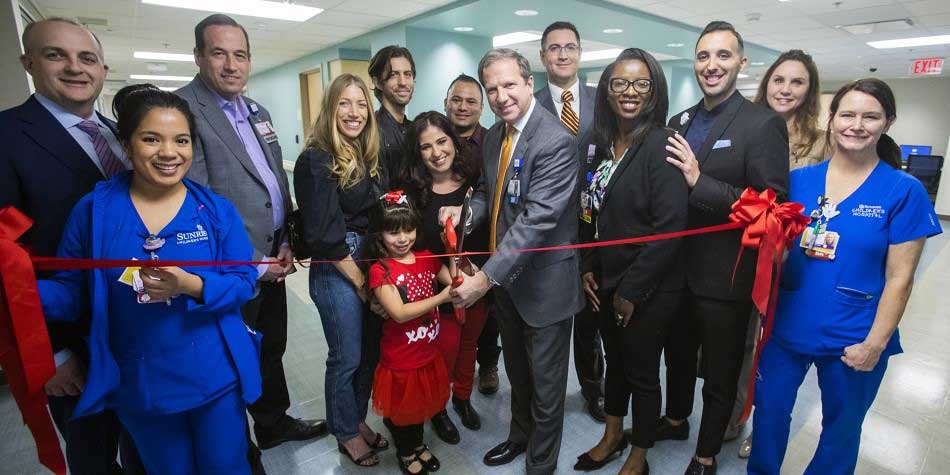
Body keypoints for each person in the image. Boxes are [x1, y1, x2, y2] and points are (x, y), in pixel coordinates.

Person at [38, 83, 263, 474]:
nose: (169, 152)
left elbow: (244, 281)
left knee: (227, 467)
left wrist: (191, 285)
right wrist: (18, 291)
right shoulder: (94, 211)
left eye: (181, 140)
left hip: (215, 375)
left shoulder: (214, 211)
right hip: (140, 382)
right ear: (126, 143)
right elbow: (70, 291)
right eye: (151, 139)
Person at [748, 78, 942, 474]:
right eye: (847, 114)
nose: (857, 124)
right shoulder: (799, 181)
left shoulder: (903, 191)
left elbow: (900, 278)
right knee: (768, 416)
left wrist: (876, 343)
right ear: (831, 119)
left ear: (887, 122)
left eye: (870, 116)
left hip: (855, 336)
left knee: (840, 431)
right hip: (789, 327)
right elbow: (780, 250)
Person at [175, 15, 325, 471]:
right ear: (199, 56)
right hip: (227, 270)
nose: (230, 64)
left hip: (273, 257)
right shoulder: (182, 111)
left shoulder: (256, 111)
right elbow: (192, 203)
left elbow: (273, 180)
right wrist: (255, 262)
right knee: (229, 360)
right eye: (218, 53)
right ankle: (238, 448)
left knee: (269, 348)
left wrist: (286, 240)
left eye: (239, 54)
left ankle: (273, 423)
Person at [0, 17, 144, 475]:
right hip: (71, 340)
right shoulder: (6, 137)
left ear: (102, 68)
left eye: (87, 58)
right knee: (95, 456)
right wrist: (52, 353)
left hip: (139, 329)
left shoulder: (121, 136)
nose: (75, 68)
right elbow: (6, 262)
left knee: (145, 448)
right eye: (55, 55)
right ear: (28, 63)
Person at [440, 48, 583, 475]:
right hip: (509, 286)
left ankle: (541, 463)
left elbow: (537, 220)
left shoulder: (556, 141)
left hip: (544, 289)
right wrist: (465, 214)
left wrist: (484, 279)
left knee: (546, 385)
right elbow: (489, 192)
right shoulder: (497, 138)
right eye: (492, 88)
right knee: (518, 376)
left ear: (527, 82)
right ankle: (519, 438)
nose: (501, 96)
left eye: (509, 85)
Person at [660, 21, 789, 475]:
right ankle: (676, 420)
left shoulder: (763, 124)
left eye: (723, 56)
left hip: (725, 276)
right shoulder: (681, 120)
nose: (711, 65)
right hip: (674, 270)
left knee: (718, 373)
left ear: (741, 63)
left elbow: (771, 205)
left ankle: (706, 452)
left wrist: (701, 181)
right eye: (703, 56)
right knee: (675, 356)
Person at [574, 48, 688, 475]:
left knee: (641, 372)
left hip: (648, 287)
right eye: (619, 82)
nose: (630, 92)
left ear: (655, 91)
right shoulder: (602, 144)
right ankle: (611, 435)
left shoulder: (662, 145)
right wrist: (588, 265)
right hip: (605, 279)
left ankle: (639, 453)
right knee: (615, 364)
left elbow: (670, 229)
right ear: (606, 89)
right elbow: (589, 210)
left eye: (642, 83)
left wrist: (631, 291)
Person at [729, 48, 830, 459]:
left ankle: (761, 425)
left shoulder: (822, 144)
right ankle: (735, 418)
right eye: (779, 80)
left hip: (790, 264)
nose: (785, 90)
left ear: (809, 91)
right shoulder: (745, 127)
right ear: (766, 82)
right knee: (739, 345)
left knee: (771, 350)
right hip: (740, 256)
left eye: (797, 82)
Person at [293, 73, 389, 468]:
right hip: (340, 267)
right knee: (346, 356)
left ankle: (355, 419)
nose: (354, 112)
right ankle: (345, 431)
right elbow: (324, 235)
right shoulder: (316, 158)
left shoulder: (364, 155)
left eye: (361, 103)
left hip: (367, 258)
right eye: (345, 104)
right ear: (331, 108)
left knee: (368, 353)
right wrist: (360, 281)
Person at [401, 111, 491, 443]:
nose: (437, 152)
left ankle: (463, 399)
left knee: (470, 346)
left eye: (442, 141)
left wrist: (475, 275)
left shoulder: (475, 180)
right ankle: (438, 409)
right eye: (426, 147)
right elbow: (409, 248)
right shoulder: (412, 192)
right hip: (436, 291)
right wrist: (446, 277)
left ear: (454, 140)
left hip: (476, 282)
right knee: (442, 351)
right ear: (417, 153)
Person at [534, 21, 605, 421]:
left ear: (580, 53)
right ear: (543, 56)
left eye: (570, 47)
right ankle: (547, 398)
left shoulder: (603, 101)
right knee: (550, 321)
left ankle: (593, 388)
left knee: (590, 316)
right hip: (546, 228)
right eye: (554, 48)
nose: (562, 54)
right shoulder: (530, 102)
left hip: (593, 228)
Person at [367, 191, 453, 475]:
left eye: (408, 229)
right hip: (401, 359)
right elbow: (400, 313)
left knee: (419, 410)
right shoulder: (381, 270)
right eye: (393, 232)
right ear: (380, 234)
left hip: (427, 352)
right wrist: (442, 299)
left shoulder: (427, 258)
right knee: (405, 414)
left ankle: (417, 446)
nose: (403, 238)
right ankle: (407, 452)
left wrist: (451, 249)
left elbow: (452, 279)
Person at [443, 74, 500, 396]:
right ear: (446, 103)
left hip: (483, 244)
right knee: (448, 311)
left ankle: (488, 365)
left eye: (471, 101)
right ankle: (450, 369)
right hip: (441, 244)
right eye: (457, 100)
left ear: (482, 108)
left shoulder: (493, 142)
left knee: (487, 313)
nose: (463, 107)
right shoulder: (435, 137)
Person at [369, 45, 416, 180]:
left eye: (407, 74)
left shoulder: (414, 129)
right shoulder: (370, 132)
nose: (403, 82)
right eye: (393, 75)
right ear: (377, 82)